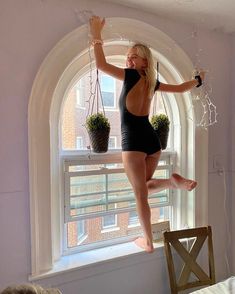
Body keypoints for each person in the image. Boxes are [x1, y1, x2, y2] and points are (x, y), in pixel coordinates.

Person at [89, 16, 205, 253]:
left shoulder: (132, 76)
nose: (129, 59)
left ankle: (148, 242)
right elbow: (182, 88)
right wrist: (199, 80)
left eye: (134, 56)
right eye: (128, 55)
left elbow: (100, 65)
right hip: (151, 142)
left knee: (140, 194)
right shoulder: (152, 82)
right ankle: (173, 182)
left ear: (145, 61)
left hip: (133, 142)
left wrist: (96, 34)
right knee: (143, 187)